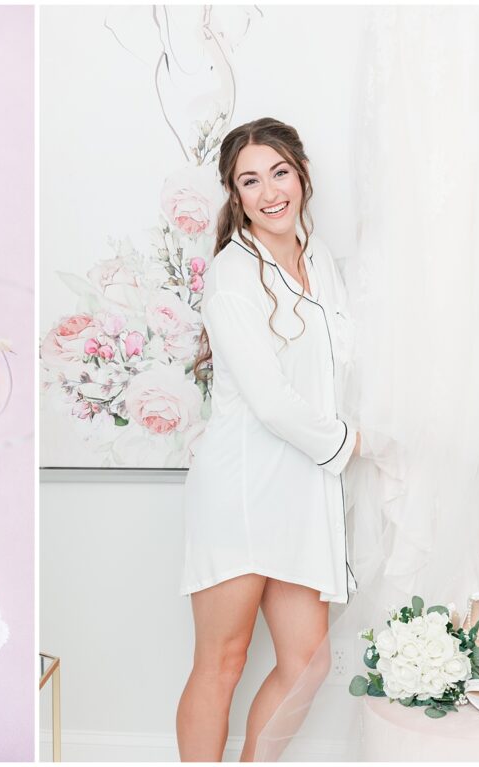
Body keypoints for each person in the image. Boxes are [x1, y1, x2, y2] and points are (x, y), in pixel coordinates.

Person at [176, 117, 361, 762]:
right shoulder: (232, 276)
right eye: (249, 181)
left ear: (302, 175)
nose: (269, 191)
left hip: (301, 488)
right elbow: (272, 401)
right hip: (241, 489)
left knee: (308, 661)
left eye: (279, 172)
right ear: (236, 195)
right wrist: (351, 443)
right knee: (222, 662)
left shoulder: (320, 262)